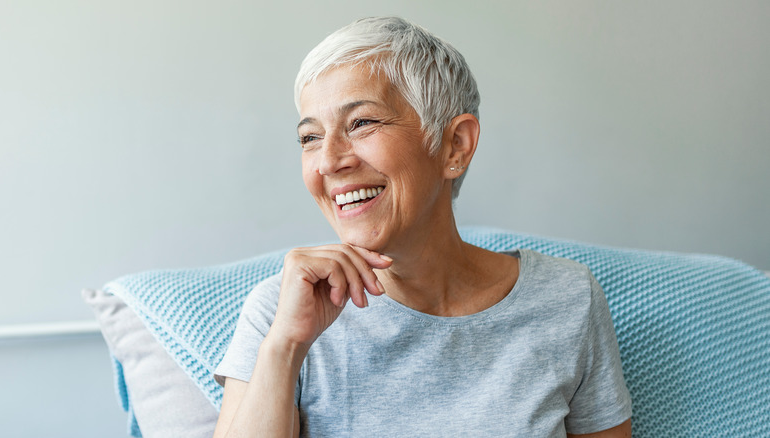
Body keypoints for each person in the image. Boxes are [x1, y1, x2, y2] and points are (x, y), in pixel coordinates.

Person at [213, 16, 632, 437]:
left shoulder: (568, 300)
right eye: (310, 138)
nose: (328, 161)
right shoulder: (279, 313)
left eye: (361, 123)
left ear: (455, 146)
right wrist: (285, 347)